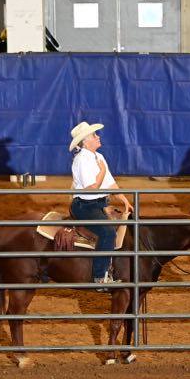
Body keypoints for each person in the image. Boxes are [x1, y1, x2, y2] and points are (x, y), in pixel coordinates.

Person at [69, 121, 132, 285]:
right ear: (85, 141)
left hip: (98, 204)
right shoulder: (82, 159)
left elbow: (111, 184)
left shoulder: (99, 157)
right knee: (108, 232)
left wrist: (124, 200)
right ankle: (99, 277)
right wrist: (102, 170)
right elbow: (92, 188)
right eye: (94, 135)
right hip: (84, 206)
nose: (98, 137)